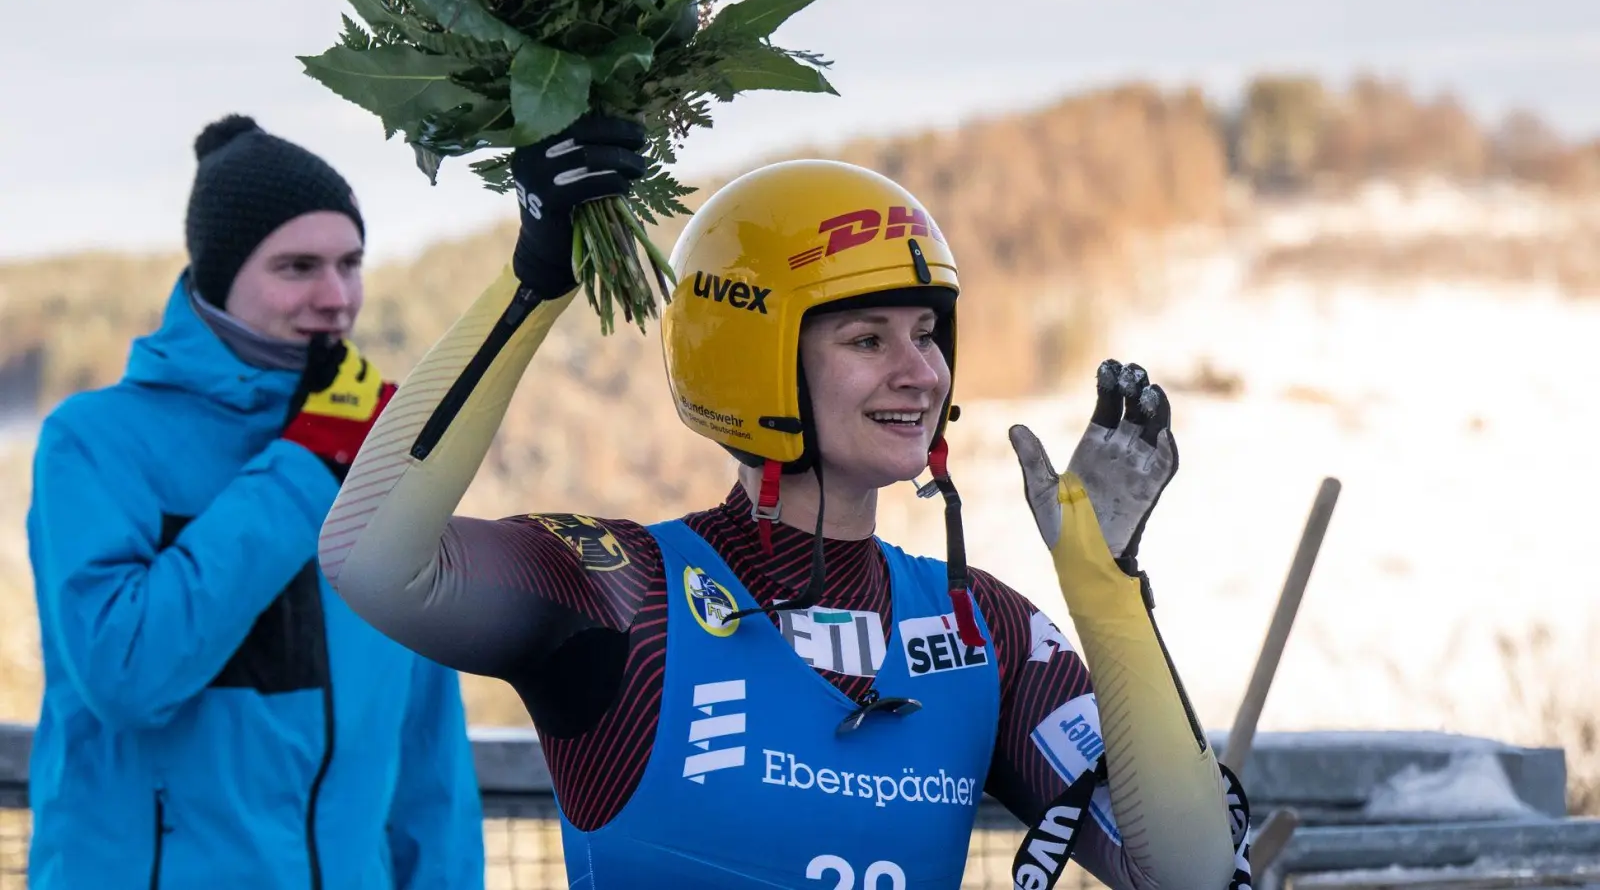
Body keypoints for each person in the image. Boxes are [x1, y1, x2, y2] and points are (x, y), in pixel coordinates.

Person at [318, 114, 1254, 889]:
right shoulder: (625, 595)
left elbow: (1195, 874)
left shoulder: (983, 630)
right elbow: (370, 558)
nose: (920, 371)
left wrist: (1106, 587)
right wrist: (535, 282)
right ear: (755, 359)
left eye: (928, 334)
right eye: (866, 338)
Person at [25, 114, 486, 889]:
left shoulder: (382, 447)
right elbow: (126, 673)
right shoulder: (95, 442)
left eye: (350, 262)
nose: (335, 296)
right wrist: (306, 462)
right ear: (220, 274)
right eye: (298, 266)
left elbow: (427, 751)